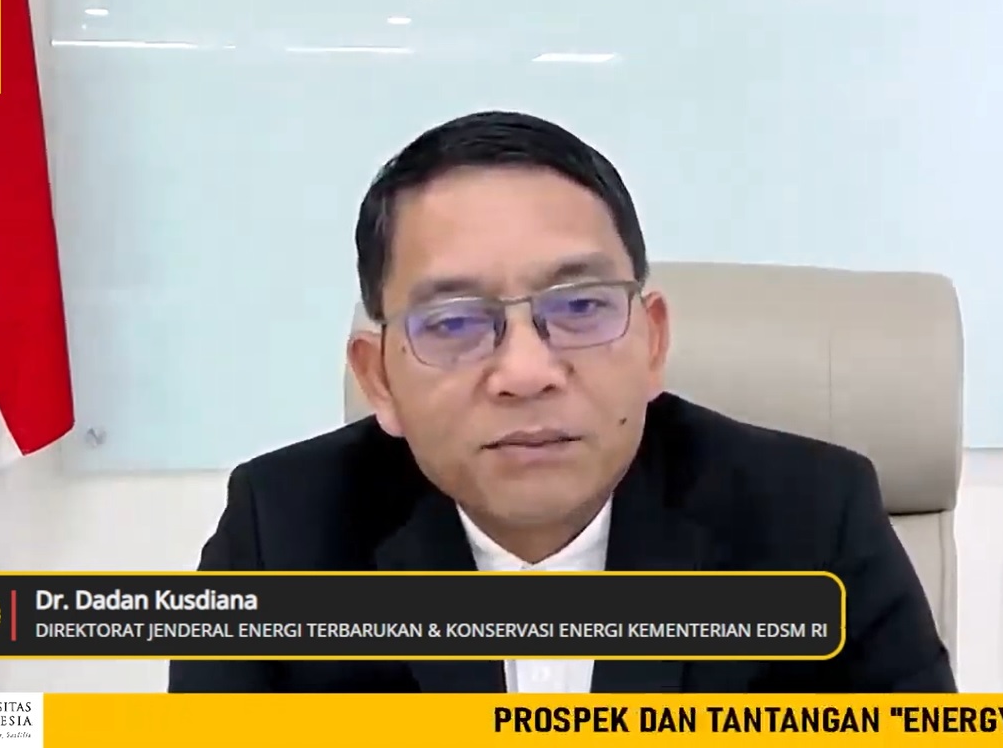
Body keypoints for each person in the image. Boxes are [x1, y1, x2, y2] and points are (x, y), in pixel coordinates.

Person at [168, 110, 956, 694]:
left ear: (651, 342)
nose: (525, 371)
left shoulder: (813, 522)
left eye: (579, 308)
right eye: (454, 323)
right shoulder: (279, 536)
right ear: (379, 380)